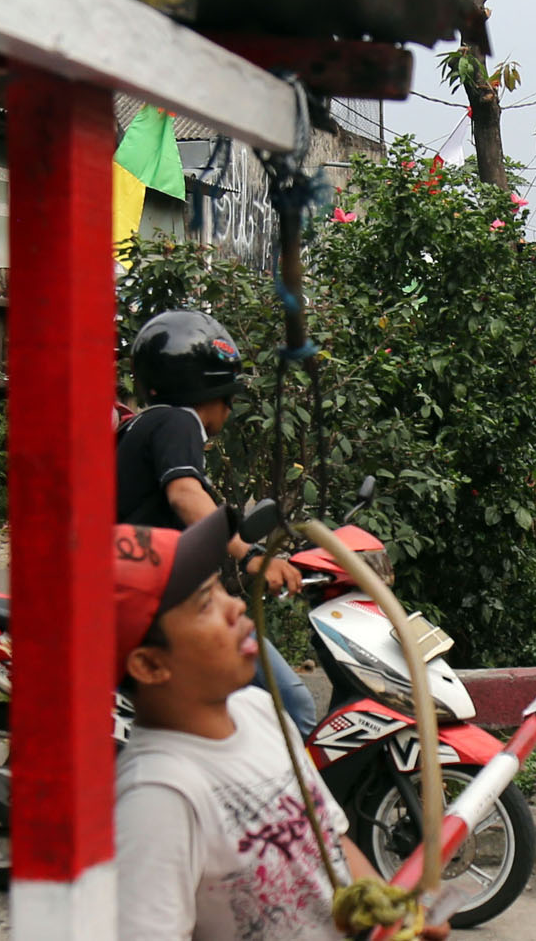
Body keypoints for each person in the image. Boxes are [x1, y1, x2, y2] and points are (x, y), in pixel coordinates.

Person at [112, 511, 447, 941]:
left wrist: (392, 918)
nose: (235, 605)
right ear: (149, 664)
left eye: (220, 589)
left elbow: (332, 841)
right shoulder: (156, 797)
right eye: (205, 603)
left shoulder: (260, 711)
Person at [119, 309, 316, 731]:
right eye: (230, 396)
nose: (230, 408)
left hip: (141, 604)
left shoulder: (142, 426)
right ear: (212, 389)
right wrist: (251, 555)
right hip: (171, 607)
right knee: (294, 709)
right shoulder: (179, 421)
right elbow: (184, 494)